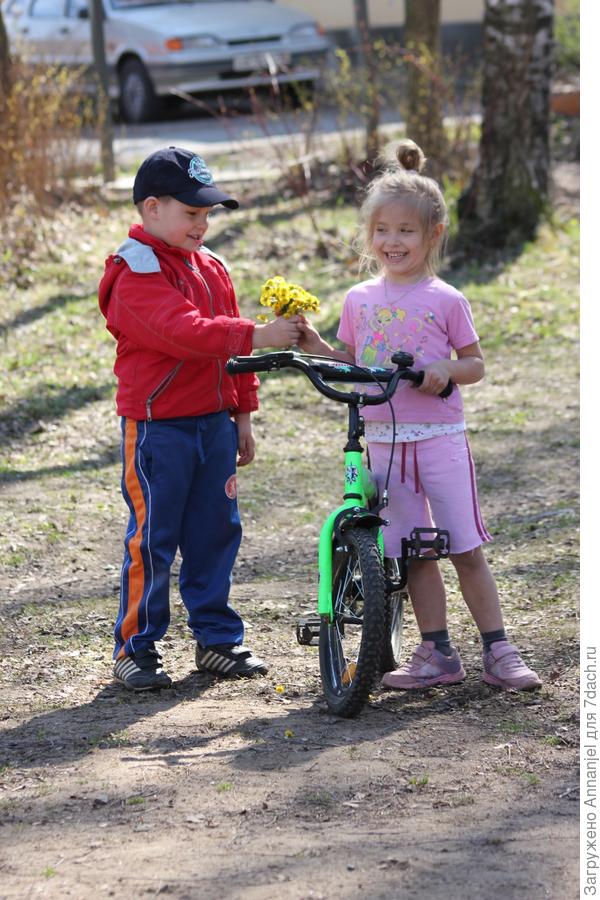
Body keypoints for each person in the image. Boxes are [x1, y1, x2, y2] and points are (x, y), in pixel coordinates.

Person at [297, 139, 541, 691]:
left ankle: (498, 648)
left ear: (432, 234)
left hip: (438, 438)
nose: (392, 241)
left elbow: (474, 364)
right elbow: (354, 364)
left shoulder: (446, 299)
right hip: (383, 442)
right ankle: (436, 653)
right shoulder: (358, 298)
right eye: (382, 230)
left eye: (405, 231)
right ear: (370, 234)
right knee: (410, 552)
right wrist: (314, 343)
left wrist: (443, 369)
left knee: (462, 545)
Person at [99, 146, 302, 691]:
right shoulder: (134, 270)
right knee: (154, 539)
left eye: (207, 213)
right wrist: (256, 334)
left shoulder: (211, 265)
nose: (202, 223)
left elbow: (230, 354)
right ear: (151, 208)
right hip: (158, 429)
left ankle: (217, 640)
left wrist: (242, 414)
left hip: (213, 425)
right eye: (191, 213)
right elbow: (183, 331)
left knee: (216, 533)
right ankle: (136, 647)